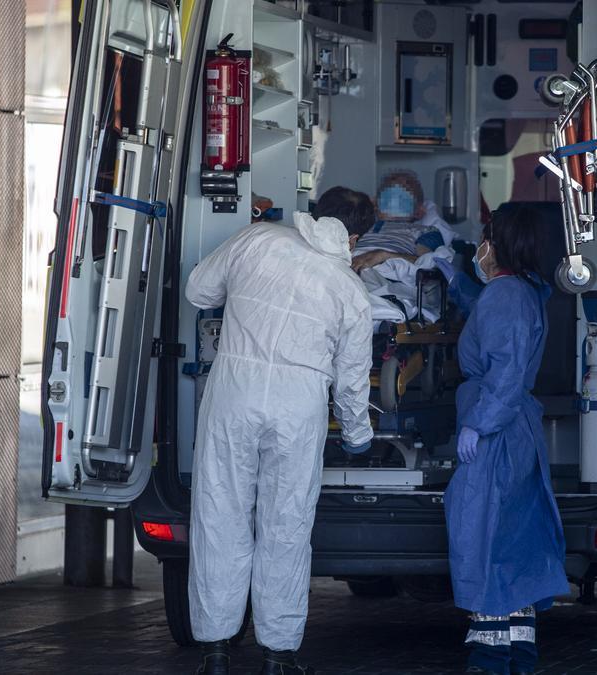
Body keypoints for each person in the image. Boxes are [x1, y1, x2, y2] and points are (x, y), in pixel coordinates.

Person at [185, 187, 377, 675]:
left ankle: (215, 651)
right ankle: (278, 654)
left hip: (234, 393)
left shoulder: (257, 239)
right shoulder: (349, 288)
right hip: (299, 407)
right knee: (286, 526)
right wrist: (358, 437)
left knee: (220, 515)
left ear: (314, 215)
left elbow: (198, 291)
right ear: (353, 237)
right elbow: (353, 381)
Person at [438, 206, 570, 675]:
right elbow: (492, 321)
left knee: (484, 535)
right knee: (512, 542)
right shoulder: (520, 291)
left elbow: (506, 370)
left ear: (499, 243)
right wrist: (455, 279)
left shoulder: (507, 295)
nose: (481, 244)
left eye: (485, 236)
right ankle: (518, 655)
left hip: (498, 431)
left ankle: (490, 658)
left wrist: (481, 422)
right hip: (513, 429)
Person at [351, 170, 453, 273]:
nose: (397, 189)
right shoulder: (363, 225)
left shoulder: (426, 231)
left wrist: (383, 255)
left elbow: (424, 265)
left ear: (419, 211)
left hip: (384, 275)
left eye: (407, 187)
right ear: (375, 204)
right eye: (389, 187)